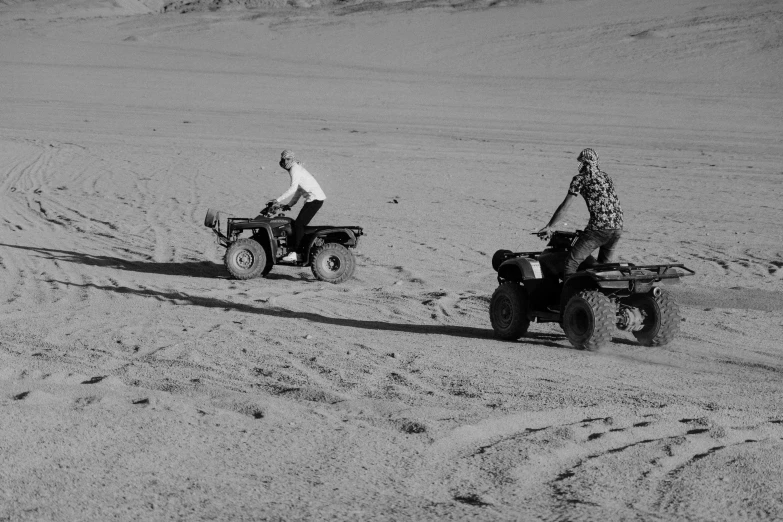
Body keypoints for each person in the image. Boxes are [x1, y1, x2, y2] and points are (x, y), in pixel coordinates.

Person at [537, 148, 623, 277]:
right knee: (604, 268)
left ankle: (569, 294)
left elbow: (565, 206)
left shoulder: (580, 179)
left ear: (583, 162)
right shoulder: (606, 176)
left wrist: (549, 226)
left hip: (599, 229)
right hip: (617, 227)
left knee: (571, 263)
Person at [269, 150, 326, 262]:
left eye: (288, 159)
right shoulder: (295, 168)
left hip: (315, 199)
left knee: (299, 224)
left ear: (293, 159)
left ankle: (297, 253)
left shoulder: (295, 169)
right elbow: (299, 191)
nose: (285, 162)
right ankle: (298, 250)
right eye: (284, 159)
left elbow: (293, 188)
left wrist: (277, 200)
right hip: (314, 199)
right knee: (298, 224)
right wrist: (289, 205)